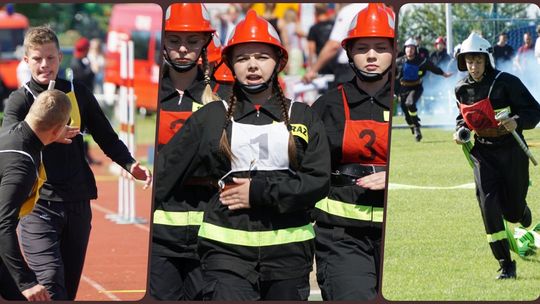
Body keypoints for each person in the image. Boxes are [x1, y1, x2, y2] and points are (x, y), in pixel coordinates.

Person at [154, 10, 331, 300]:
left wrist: (258, 192)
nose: (252, 65)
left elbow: (318, 182)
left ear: (278, 62)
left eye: (261, 57)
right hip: (225, 253)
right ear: (230, 64)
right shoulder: (212, 116)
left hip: (289, 252)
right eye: (242, 58)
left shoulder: (304, 116)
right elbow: (165, 173)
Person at [2, 26, 152, 300]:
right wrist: (47, 134)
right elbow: (9, 138)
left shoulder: (78, 93)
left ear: (60, 57)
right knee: (50, 284)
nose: (44, 65)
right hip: (38, 206)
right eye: (37, 59)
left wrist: (130, 164)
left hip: (77, 203)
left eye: (50, 57)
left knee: (67, 290)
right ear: (26, 61)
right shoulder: (20, 99)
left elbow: (105, 136)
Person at [310, 3, 392, 300]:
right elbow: (305, 169)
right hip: (342, 236)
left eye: (381, 47)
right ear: (349, 53)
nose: (371, 55)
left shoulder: (407, 103)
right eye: (363, 48)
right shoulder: (327, 106)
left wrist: (392, 176)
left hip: (400, 234)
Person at [150, 3, 229, 301]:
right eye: (174, 41)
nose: (183, 49)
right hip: (158, 236)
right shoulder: (151, 95)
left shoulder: (223, 98)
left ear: (205, 45)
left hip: (210, 232)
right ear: (163, 44)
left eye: (192, 41)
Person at [453, 32, 540, 279]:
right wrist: (460, 131)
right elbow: (463, 118)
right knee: (488, 205)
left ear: (487, 59)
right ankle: (505, 264)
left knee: (511, 212)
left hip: (512, 151)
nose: (474, 66)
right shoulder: (460, 89)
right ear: (463, 62)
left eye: (478, 60)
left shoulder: (507, 82)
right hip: (483, 153)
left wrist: (518, 121)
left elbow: (535, 111)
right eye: (469, 61)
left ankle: (521, 212)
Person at [0, 89, 71, 301]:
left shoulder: (11, 133)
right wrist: (26, 282)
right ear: (57, 130)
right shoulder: (21, 166)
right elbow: (2, 224)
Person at [395, 37, 452, 142]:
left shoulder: (421, 61)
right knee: (406, 113)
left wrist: (444, 74)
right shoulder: (399, 62)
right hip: (403, 89)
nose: (409, 50)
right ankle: (412, 125)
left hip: (416, 87)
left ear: (416, 49)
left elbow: (433, 68)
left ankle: (417, 127)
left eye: (412, 48)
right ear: (404, 49)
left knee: (410, 103)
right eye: (407, 48)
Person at [302, 3, 368, 87]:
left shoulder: (348, 10)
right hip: (361, 70)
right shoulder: (378, 8)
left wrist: (312, 70)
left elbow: (333, 46)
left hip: (347, 71)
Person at [70, 37, 100, 166]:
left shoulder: (81, 61)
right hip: (78, 101)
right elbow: (83, 78)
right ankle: (81, 155)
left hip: (84, 99)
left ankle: (85, 154)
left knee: (86, 129)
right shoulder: (76, 62)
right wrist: (92, 68)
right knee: (80, 129)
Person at [307, 4, 336, 76]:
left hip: (322, 65)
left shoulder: (314, 28)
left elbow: (311, 51)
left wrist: (311, 69)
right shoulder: (335, 25)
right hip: (336, 64)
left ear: (315, 13)